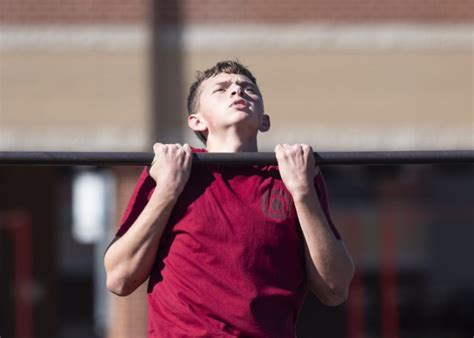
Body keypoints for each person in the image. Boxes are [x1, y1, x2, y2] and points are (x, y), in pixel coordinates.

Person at [104, 60, 354, 337]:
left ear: (265, 120)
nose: (237, 91)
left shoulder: (293, 175)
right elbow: (119, 278)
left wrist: (304, 192)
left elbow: (335, 288)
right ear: (196, 121)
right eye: (221, 89)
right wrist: (167, 191)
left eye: (248, 88)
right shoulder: (173, 169)